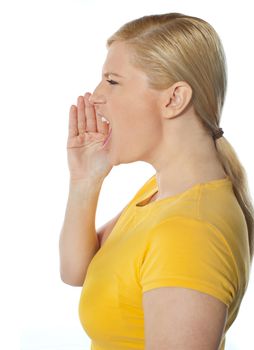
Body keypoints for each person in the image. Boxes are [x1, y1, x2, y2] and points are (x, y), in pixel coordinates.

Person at [59, 12, 254, 350]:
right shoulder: (162, 191)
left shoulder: (190, 230)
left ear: (174, 99)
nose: (95, 96)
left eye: (113, 81)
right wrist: (84, 181)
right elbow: (76, 271)